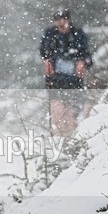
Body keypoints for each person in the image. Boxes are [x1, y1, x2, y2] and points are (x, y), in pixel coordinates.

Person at [39, 8, 93, 137]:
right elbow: (44, 53)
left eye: (63, 19)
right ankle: (58, 135)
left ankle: (72, 135)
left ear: (69, 20)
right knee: (56, 108)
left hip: (74, 79)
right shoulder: (50, 34)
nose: (61, 22)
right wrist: (47, 62)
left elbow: (87, 56)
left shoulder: (78, 34)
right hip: (55, 79)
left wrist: (82, 62)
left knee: (72, 108)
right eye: (58, 20)